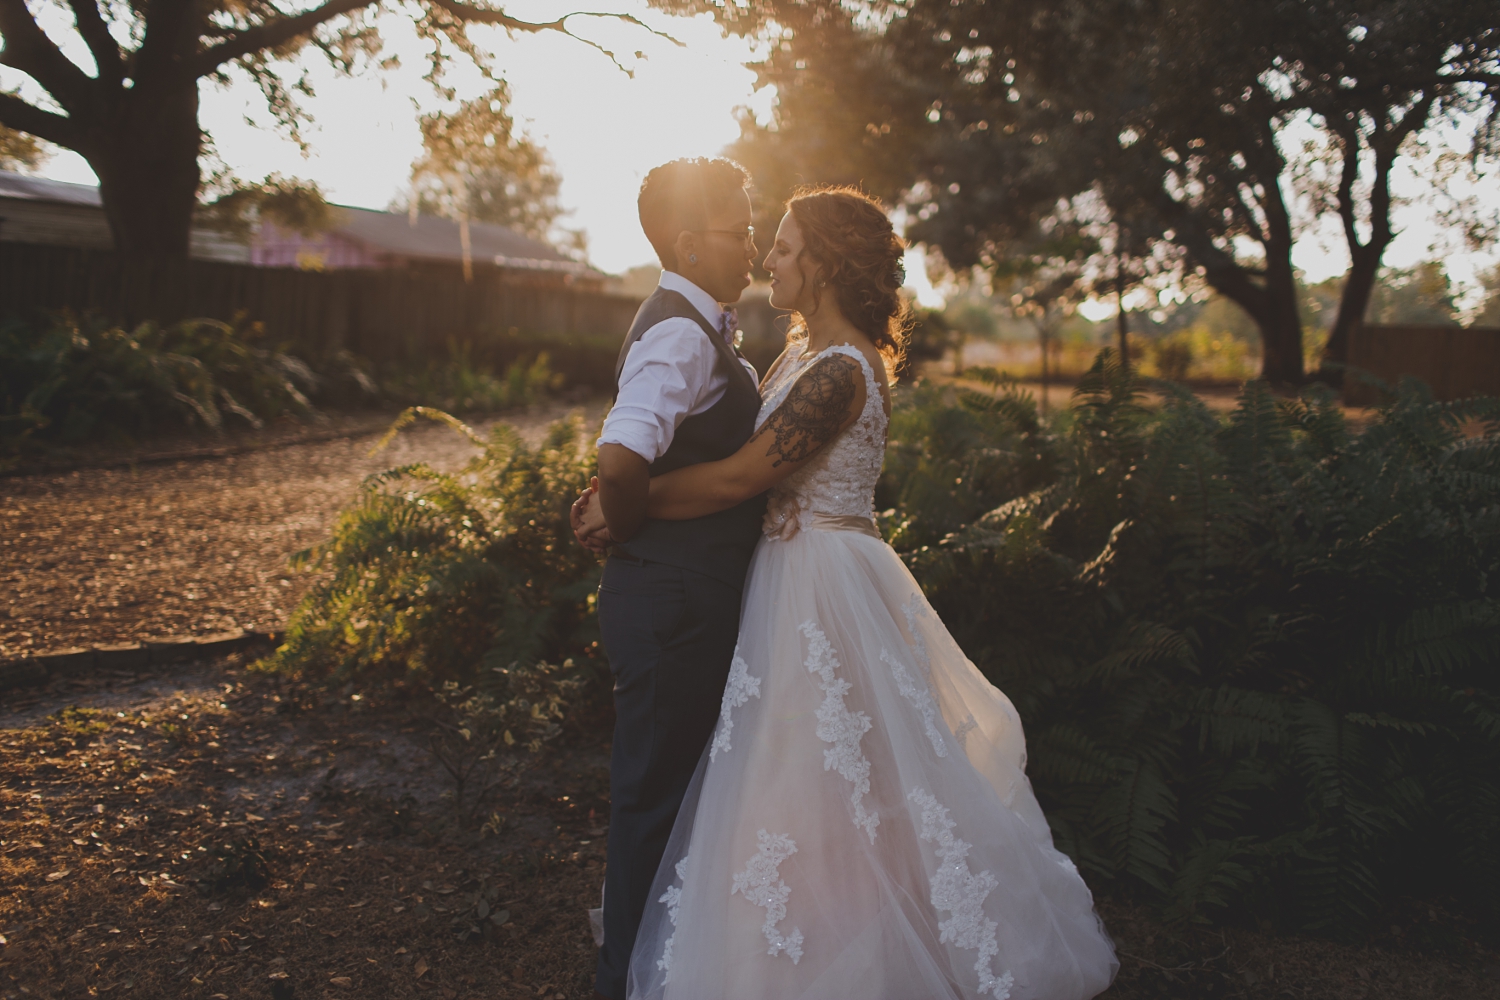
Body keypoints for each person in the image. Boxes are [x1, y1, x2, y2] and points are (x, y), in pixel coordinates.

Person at [573, 185, 1118, 999]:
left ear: (823, 266)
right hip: (780, 573)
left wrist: (620, 505)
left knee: (843, 771)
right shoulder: (794, 356)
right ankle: (804, 929)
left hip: (826, 582)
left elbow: (736, 480)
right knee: (791, 775)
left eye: (786, 247)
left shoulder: (839, 371)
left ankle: (871, 948)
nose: (770, 259)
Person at [579, 157, 767, 1000]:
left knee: (671, 793)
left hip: (679, 595)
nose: (754, 244)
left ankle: (665, 966)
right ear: (691, 244)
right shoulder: (684, 334)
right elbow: (621, 455)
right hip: (669, 598)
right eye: (740, 230)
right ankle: (624, 982)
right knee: (652, 803)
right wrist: (620, 523)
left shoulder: (698, 324)